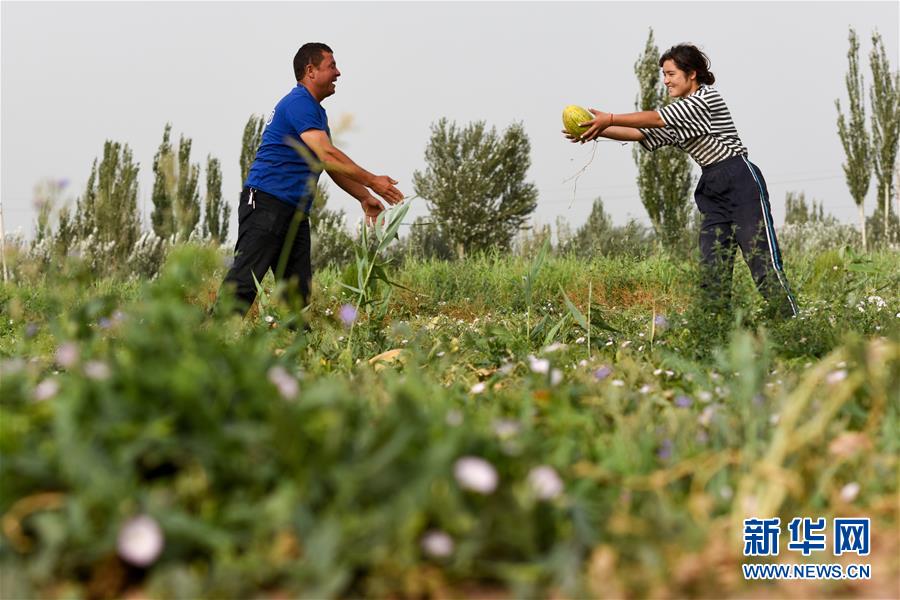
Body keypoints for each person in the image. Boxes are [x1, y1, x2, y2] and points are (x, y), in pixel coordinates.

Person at [564, 44, 797, 319]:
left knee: (761, 261)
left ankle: (793, 322)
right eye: (664, 74)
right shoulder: (683, 113)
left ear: (692, 73)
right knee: (712, 269)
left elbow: (657, 118)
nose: (665, 80)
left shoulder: (705, 100)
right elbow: (641, 134)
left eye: (671, 73)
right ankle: (715, 332)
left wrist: (610, 118)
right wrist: (595, 129)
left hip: (739, 179)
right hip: (712, 187)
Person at [218, 42, 403, 319]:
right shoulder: (298, 103)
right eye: (331, 66)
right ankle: (210, 345)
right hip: (266, 204)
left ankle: (297, 356)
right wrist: (373, 181)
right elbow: (327, 152)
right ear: (310, 71)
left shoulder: (316, 113)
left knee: (297, 298)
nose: (338, 73)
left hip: (293, 213)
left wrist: (364, 196)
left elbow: (327, 163)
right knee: (243, 286)